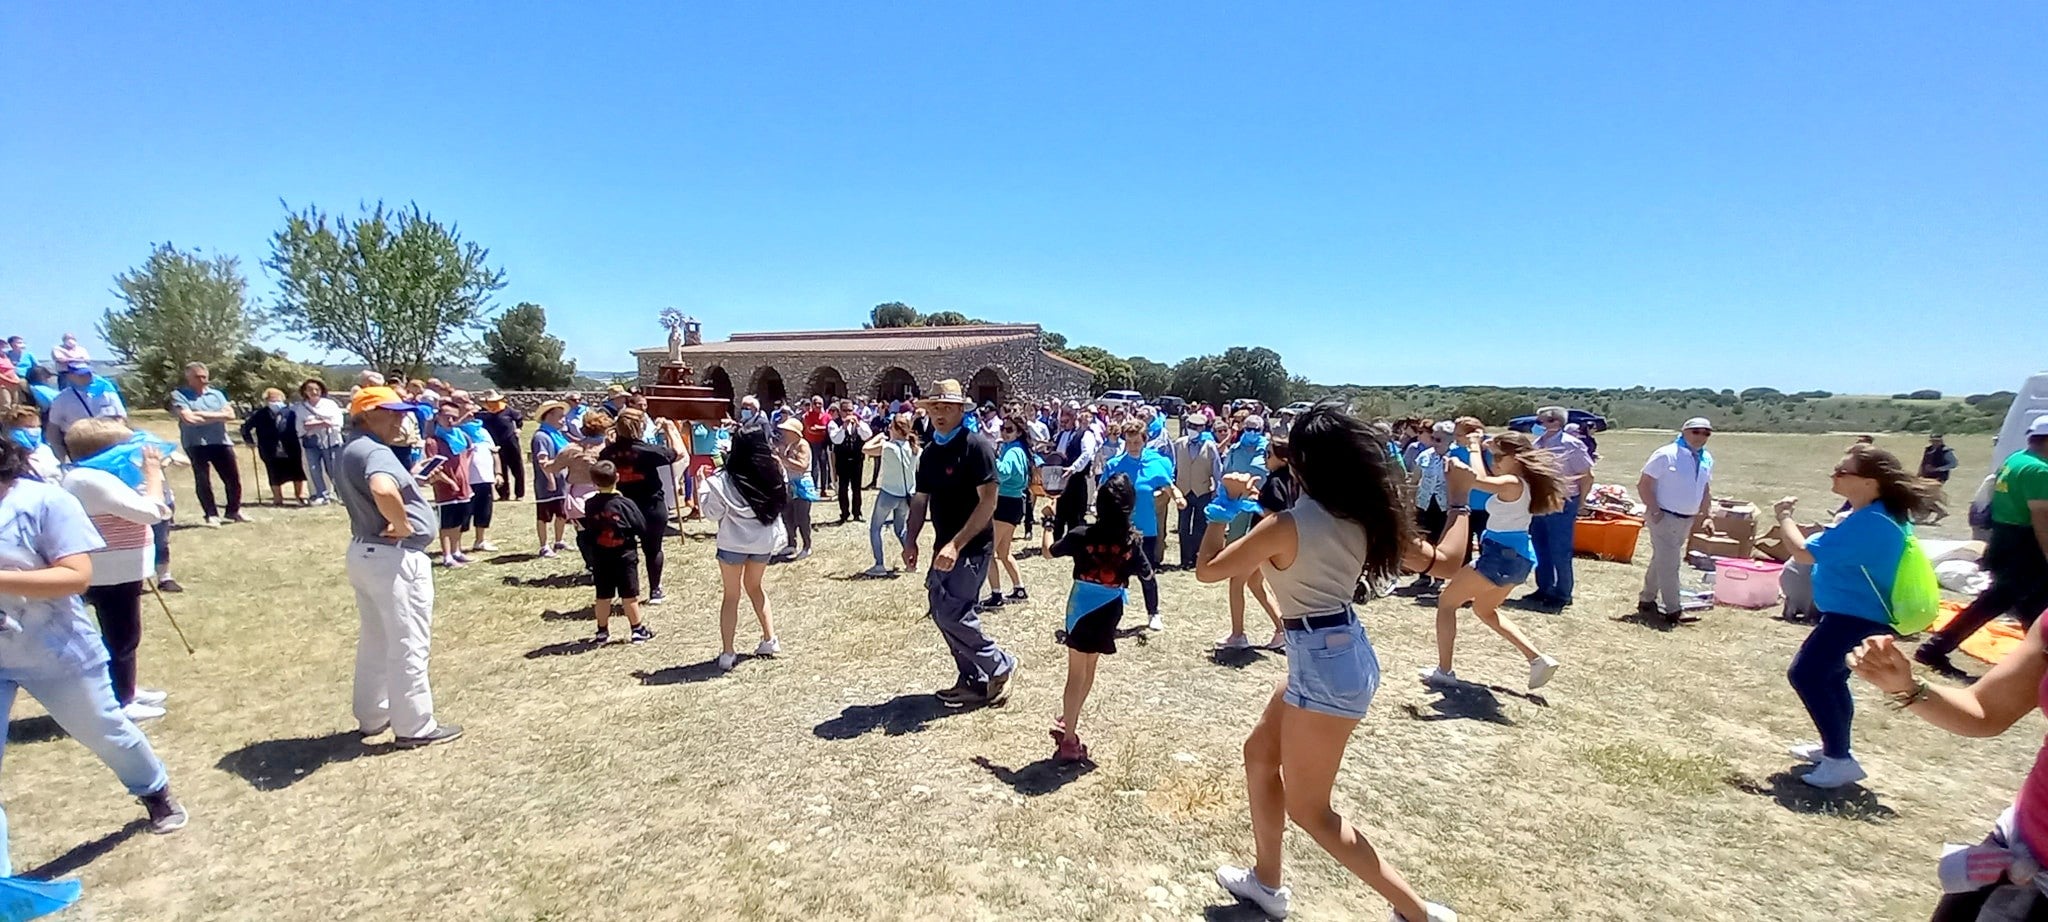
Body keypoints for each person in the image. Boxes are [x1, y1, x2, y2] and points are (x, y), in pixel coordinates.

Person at [1193, 401, 1465, 922]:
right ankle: (1267, 883)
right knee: (1258, 754)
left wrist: (1222, 506)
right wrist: (1459, 502)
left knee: (1311, 811)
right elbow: (1448, 563)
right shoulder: (1363, 518)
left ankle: (1417, 914)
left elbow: (1207, 571)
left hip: (1321, 664)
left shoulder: (1286, 525)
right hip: (1334, 652)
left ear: (1301, 466)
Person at [0, 438, 188, 865]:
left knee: (104, 729)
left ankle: (153, 789)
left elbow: (75, 576)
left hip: (53, 648)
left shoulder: (45, 502)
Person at [1767, 445, 1942, 789]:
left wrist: (1784, 516)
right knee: (1830, 680)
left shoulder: (1873, 522)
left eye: (1843, 471)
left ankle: (1839, 760)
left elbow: (1804, 553)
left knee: (1807, 674)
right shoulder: (1873, 516)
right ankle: (1835, 748)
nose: (1834, 475)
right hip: (1855, 614)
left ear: (1869, 482)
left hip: (1857, 617)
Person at [335, 386, 460, 748]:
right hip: (395, 556)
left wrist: (412, 482)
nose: (400, 418)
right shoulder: (375, 451)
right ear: (367, 414)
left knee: (376, 638)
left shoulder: (350, 448)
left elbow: (382, 486)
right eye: (391, 412)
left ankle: (373, 715)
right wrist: (403, 524)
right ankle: (415, 726)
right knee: (408, 642)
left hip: (365, 551)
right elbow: (382, 488)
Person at [902, 379, 1017, 707]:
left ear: (960, 410)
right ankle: (973, 680)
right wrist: (911, 540)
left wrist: (956, 544)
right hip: (943, 546)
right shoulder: (930, 453)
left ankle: (999, 665)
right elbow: (920, 500)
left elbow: (988, 503)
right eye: (934, 406)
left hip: (973, 546)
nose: (939, 413)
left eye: (946, 407)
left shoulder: (976, 446)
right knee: (941, 611)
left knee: (954, 613)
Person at [1421, 430, 1565, 690]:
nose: (1494, 460)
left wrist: (1475, 448)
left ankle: (1444, 671)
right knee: (1484, 610)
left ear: (1517, 458)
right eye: (1492, 455)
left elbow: (1477, 479)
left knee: (1446, 602)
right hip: (1518, 557)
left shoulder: (1512, 482)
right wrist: (1481, 443)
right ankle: (1538, 659)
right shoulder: (1526, 484)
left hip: (1499, 557)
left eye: (1499, 456)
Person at [61, 418, 174, 722]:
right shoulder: (88, 480)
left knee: (123, 635)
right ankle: (121, 701)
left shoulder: (100, 477)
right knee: (121, 637)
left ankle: (128, 688)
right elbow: (151, 511)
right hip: (108, 573)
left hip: (121, 570)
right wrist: (153, 474)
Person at [1916, 416, 2048, 674]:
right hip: (2025, 547)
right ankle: (1935, 647)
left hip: (2004, 540)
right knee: (1998, 602)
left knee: (2030, 605)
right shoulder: (2040, 471)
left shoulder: (2015, 460)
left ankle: (2036, 661)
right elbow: (2041, 518)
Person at [1047, 473, 1154, 762]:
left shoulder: (1082, 534)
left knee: (1075, 672)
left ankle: (1068, 738)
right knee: (1090, 667)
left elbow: (1049, 551)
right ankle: (1070, 720)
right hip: (1110, 607)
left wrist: (1048, 521)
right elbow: (1146, 574)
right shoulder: (1131, 541)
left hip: (1081, 605)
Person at [700, 423, 789, 671]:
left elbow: (711, 512)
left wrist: (703, 487)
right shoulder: (774, 471)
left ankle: (728, 653)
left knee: (731, 596)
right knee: (756, 587)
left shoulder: (723, 480)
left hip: (732, 542)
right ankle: (769, 639)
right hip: (762, 542)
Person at [1100, 418, 1182, 632]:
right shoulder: (1114, 465)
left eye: (1137, 442)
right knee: (1115, 575)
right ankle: (1110, 616)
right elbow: (1103, 493)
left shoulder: (1155, 463)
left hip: (1146, 529)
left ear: (1144, 440)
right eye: (1129, 442)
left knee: (1148, 573)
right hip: (1120, 529)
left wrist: (1178, 498)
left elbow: (1169, 486)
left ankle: (1153, 613)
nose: (1133, 445)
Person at [1636, 418, 1715, 625]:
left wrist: (1706, 516)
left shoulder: (1706, 458)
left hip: (1686, 519)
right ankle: (1673, 609)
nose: (1701, 437)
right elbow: (1644, 483)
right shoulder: (1666, 454)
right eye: (1696, 431)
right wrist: (1654, 510)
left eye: (1707, 433)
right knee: (1671, 564)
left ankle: (1647, 599)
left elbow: (1705, 489)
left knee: (1662, 559)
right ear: (1685, 431)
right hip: (1664, 515)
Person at [1217, 415, 1286, 652]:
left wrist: (1253, 499)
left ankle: (1238, 635)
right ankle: (1282, 629)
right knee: (1255, 583)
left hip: (1263, 540)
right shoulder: (1289, 479)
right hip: (1269, 542)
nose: (1265, 457)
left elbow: (1275, 515)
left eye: (1269, 454)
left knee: (1237, 581)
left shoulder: (1276, 482)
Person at [599, 408, 678, 604]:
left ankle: (628, 591)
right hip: (650, 504)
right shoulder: (647, 451)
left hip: (621, 506)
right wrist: (671, 430)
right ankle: (655, 589)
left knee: (624, 552)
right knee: (653, 549)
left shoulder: (608, 452)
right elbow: (675, 454)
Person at [1524, 406, 1595, 610]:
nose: (1536, 426)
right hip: (1540, 501)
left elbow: (1587, 476)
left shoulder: (1571, 445)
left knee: (1559, 549)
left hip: (1563, 501)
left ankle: (1563, 592)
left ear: (1555, 423)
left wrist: (1581, 501)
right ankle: (1544, 588)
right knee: (1540, 546)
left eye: (1541, 422)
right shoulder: (1537, 444)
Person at [576, 461, 655, 645]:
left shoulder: (590, 505)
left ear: (594, 482)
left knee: (603, 596)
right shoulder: (625, 504)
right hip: (624, 556)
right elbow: (641, 526)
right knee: (630, 595)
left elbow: (589, 527)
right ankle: (637, 630)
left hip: (600, 557)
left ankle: (602, 631)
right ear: (617, 478)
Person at [169, 362, 246, 526]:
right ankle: (210, 514)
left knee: (233, 478)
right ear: (189, 378)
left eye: (205, 376)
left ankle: (234, 510)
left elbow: (231, 415)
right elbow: (188, 419)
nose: (203, 380)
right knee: (203, 479)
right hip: (195, 443)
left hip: (221, 441)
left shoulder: (217, 394)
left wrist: (201, 414)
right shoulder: (179, 395)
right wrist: (219, 416)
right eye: (198, 377)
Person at [983, 415, 1037, 609]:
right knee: (1003, 552)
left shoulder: (1013, 452)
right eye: (1003, 429)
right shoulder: (1019, 449)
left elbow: (1004, 472)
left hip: (1005, 504)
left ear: (1019, 432)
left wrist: (990, 459)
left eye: (1009, 430)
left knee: (988, 552)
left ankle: (996, 595)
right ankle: (1019, 589)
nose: (1004, 433)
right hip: (1014, 504)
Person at [862, 413, 919, 578]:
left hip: (888, 494)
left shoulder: (887, 447)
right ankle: (911, 562)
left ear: (894, 429)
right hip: (907, 495)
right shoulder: (914, 448)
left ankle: (879, 564)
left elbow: (865, 448)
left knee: (875, 528)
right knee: (901, 529)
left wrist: (879, 436)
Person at [1402, 421, 1455, 596]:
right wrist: (1410, 502)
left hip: (1445, 506)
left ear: (1450, 439)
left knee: (1440, 540)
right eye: (1432, 438)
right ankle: (1423, 575)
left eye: (1438, 439)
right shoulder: (1425, 455)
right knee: (1423, 538)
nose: (1433, 442)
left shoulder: (1456, 457)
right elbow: (1415, 480)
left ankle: (1439, 577)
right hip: (1424, 504)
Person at [424, 404, 476, 567]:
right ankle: (447, 555)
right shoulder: (433, 441)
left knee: (460, 521)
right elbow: (434, 468)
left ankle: (456, 550)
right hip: (446, 489)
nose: (450, 420)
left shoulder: (461, 436)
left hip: (464, 486)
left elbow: (469, 453)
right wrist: (450, 481)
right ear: (438, 417)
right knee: (447, 522)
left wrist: (465, 473)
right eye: (447, 416)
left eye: (454, 416)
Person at [1173, 412, 1225, 571]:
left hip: (1202, 491)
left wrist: (1217, 489)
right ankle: (1184, 559)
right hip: (1183, 491)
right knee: (1183, 527)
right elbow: (1173, 466)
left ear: (1203, 428)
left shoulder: (1209, 446)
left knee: (1199, 527)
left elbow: (1217, 469)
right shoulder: (1179, 444)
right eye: (1190, 426)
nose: (1192, 429)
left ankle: (1196, 557)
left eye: (1196, 427)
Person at [44, 362, 127, 461]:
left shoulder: (106, 391)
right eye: (81, 375)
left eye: (89, 373)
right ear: (70, 376)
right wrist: (62, 456)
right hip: (80, 446)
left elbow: (120, 417)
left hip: (108, 442)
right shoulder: (62, 399)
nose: (87, 377)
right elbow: (53, 429)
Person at [240, 388, 307, 506]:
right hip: (269, 448)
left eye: (277, 398)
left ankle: (299, 496)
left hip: (291, 446)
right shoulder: (260, 414)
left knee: (297, 472)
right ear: (266, 400)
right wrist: (249, 441)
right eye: (271, 399)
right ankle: (277, 498)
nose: (275, 401)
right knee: (273, 472)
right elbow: (245, 428)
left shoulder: (291, 412)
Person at [529, 401, 573, 557]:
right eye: (560, 417)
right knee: (544, 515)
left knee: (561, 513)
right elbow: (543, 461)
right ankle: (544, 546)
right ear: (549, 416)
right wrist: (550, 479)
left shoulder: (557, 435)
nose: (563, 420)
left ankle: (559, 541)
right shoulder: (542, 437)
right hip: (547, 484)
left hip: (562, 483)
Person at [292, 378, 344, 506]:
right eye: (310, 389)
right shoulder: (301, 408)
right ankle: (321, 494)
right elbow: (301, 426)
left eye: (317, 389)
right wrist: (321, 423)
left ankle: (341, 495)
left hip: (331, 441)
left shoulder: (330, 404)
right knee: (314, 468)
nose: (314, 392)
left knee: (333, 469)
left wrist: (314, 424)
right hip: (311, 442)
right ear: (305, 392)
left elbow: (337, 422)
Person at [775, 417, 817, 560]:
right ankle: (791, 543)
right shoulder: (789, 444)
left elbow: (802, 465)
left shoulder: (802, 445)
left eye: (786, 431)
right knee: (788, 514)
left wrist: (784, 459)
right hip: (791, 484)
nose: (784, 433)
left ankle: (807, 546)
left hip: (802, 484)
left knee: (802, 516)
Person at [478, 390, 526, 502]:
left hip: (510, 442)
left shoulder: (507, 410)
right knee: (499, 469)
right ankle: (503, 494)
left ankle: (519, 494)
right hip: (494, 444)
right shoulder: (482, 414)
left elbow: (519, 418)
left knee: (517, 468)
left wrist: (518, 429)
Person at [829, 401, 871, 524]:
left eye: (851, 410)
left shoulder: (859, 422)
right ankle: (844, 513)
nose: (849, 413)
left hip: (857, 459)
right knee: (843, 488)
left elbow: (867, 435)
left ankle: (857, 513)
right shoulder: (834, 424)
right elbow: (836, 440)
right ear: (840, 411)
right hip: (842, 459)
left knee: (856, 488)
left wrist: (858, 425)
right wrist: (843, 426)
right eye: (846, 410)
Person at [1918, 434, 1960, 525]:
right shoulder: (1928, 450)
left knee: (1927, 498)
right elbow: (1923, 463)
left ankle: (1934, 513)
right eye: (1933, 440)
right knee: (1922, 496)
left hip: (1938, 478)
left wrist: (1938, 469)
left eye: (1937, 441)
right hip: (1926, 477)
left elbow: (1953, 464)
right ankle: (1937, 513)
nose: (1935, 443)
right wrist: (1919, 473)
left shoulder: (1945, 451)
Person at [803, 395, 833, 498]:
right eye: (815, 404)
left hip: (824, 444)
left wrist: (819, 428)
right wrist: (823, 429)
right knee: (814, 466)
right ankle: (814, 488)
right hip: (812, 444)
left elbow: (830, 428)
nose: (818, 406)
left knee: (825, 466)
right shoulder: (807, 415)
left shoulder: (827, 416)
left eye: (820, 403)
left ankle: (824, 489)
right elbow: (811, 430)